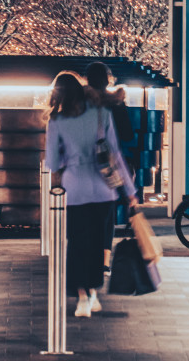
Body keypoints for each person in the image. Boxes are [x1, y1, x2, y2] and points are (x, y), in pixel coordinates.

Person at [45, 71, 137, 318]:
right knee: (98, 245)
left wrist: (69, 157)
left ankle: (82, 298)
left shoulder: (57, 121)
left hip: (74, 191)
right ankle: (94, 292)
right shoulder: (101, 114)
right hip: (103, 191)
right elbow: (115, 155)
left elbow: (53, 162)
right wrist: (130, 192)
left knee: (77, 244)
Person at [84, 61, 135, 277]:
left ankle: (88, 256)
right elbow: (126, 135)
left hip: (84, 166)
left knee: (86, 215)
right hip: (109, 167)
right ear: (107, 79)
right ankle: (104, 261)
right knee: (107, 216)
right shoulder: (116, 104)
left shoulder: (80, 104)